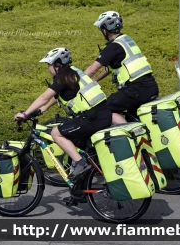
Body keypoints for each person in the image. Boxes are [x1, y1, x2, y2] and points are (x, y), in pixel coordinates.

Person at [14, 47, 112, 179]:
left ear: (57, 65)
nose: (48, 68)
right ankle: (78, 194)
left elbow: (44, 97)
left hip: (90, 118)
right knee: (78, 147)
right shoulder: (74, 72)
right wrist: (43, 109)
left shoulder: (61, 78)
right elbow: (58, 95)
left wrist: (25, 114)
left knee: (56, 133)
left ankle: (80, 163)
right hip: (103, 114)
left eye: (49, 65)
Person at [85, 11, 159, 124]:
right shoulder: (126, 40)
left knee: (103, 110)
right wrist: (95, 80)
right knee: (132, 120)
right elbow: (110, 68)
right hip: (149, 86)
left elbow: (92, 70)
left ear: (105, 29)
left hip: (135, 90)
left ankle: (129, 135)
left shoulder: (113, 46)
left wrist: (78, 84)